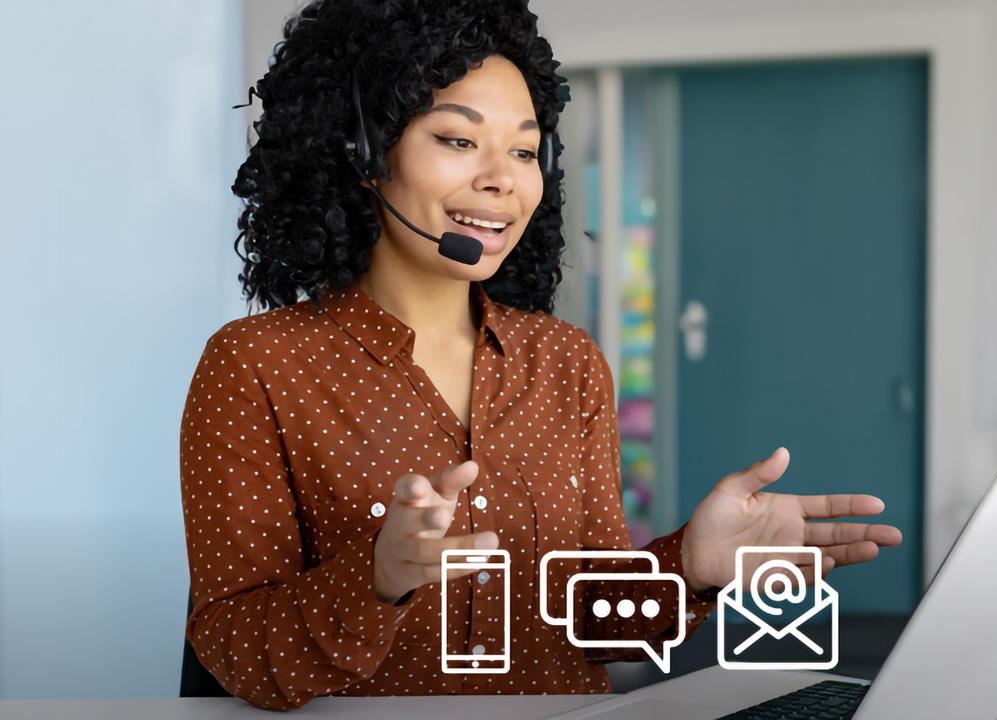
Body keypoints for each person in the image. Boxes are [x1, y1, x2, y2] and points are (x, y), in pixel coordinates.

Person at [180, 0, 902, 710]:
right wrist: (376, 576)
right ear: (360, 153)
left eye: (525, 150)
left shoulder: (566, 363)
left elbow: (594, 625)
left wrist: (690, 566)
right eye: (458, 140)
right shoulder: (255, 366)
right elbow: (235, 650)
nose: (504, 179)